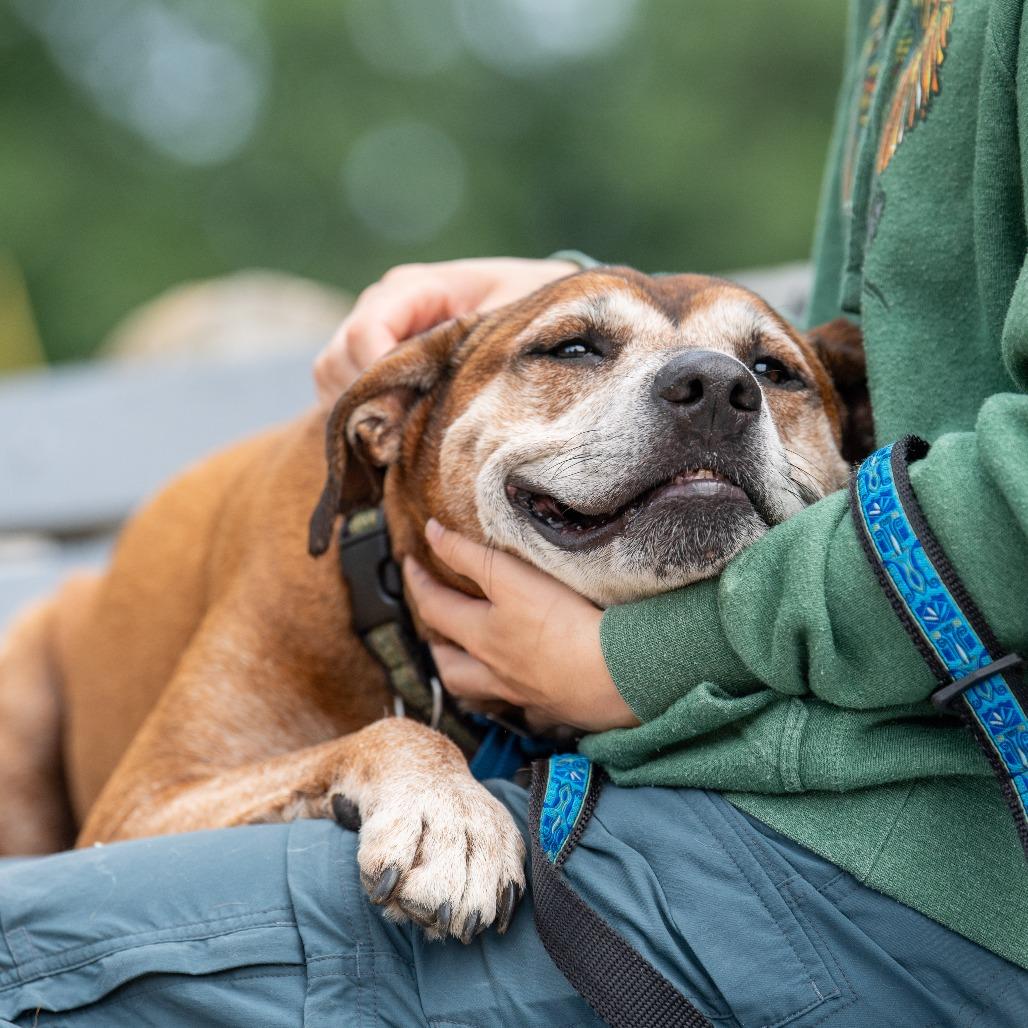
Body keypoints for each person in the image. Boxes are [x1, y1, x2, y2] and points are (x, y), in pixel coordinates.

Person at [2, 2, 1026, 1024]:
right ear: (391, 432)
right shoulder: (306, 569)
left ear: (852, 428)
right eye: (575, 351)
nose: (716, 391)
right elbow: (135, 818)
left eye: (765, 371)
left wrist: (637, 655)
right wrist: (387, 752)